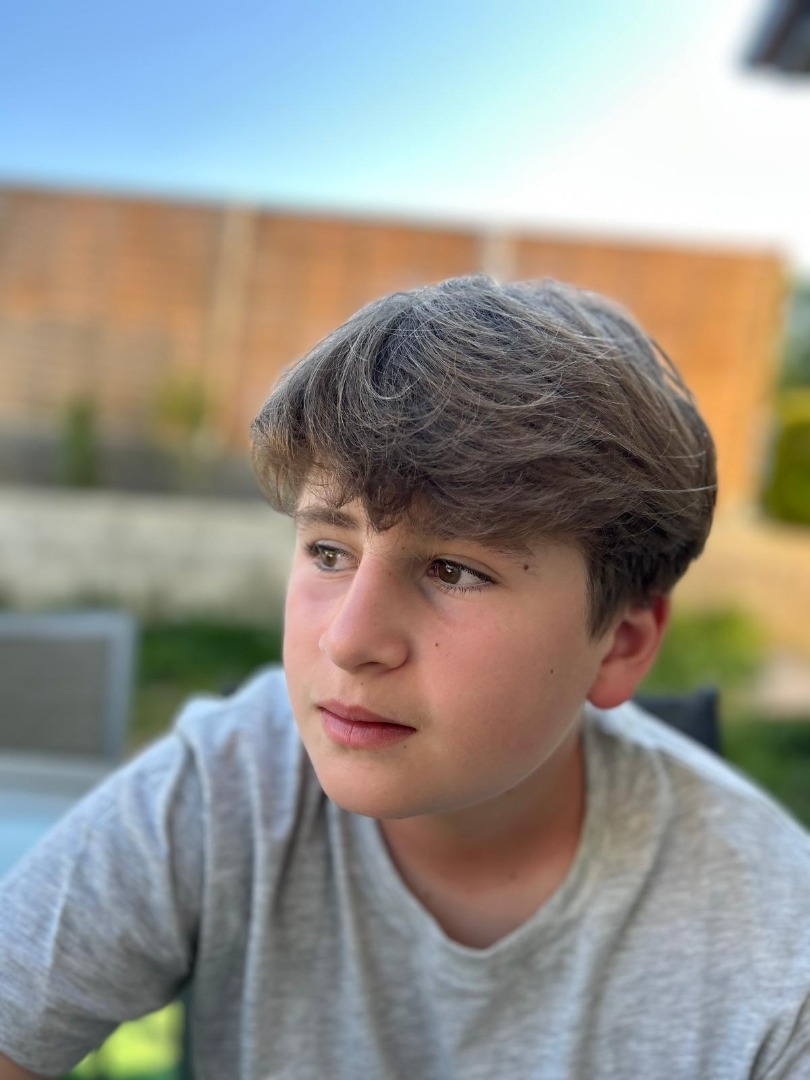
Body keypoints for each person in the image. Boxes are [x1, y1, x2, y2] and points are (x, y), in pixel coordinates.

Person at [1, 275, 809, 1079]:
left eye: (454, 569)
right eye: (329, 551)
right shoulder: (227, 788)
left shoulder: (776, 948)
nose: (348, 640)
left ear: (622, 644)